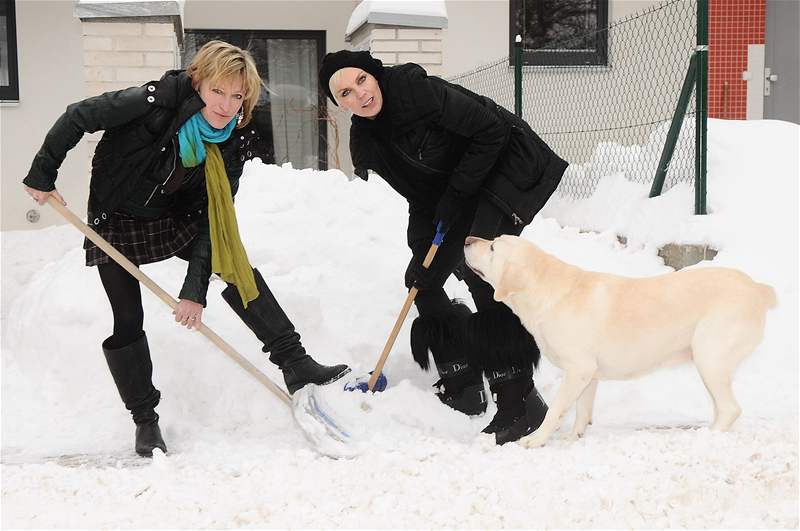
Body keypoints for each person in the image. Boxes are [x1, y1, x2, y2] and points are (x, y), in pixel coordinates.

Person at [23, 40, 350, 458]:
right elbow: (78, 116)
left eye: (238, 96)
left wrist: (194, 291)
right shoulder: (150, 102)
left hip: (174, 218)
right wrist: (42, 172)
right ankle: (145, 421)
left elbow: (215, 219)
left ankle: (296, 363)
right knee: (127, 317)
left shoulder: (231, 139)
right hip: (117, 221)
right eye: (219, 91)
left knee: (237, 268)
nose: (228, 105)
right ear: (198, 80)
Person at [320, 50, 568, 445]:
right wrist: (422, 248)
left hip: (508, 165)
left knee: (481, 271)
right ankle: (464, 382)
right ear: (339, 104)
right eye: (345, 93)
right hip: (460, 190)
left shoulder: (419, 92)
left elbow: (491, 131)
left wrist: (456, 195)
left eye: (361, 81)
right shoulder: (370, 142)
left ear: (374, 74)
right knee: (423, 277)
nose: (360, 95)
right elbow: (419, 195)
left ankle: (520, 399)